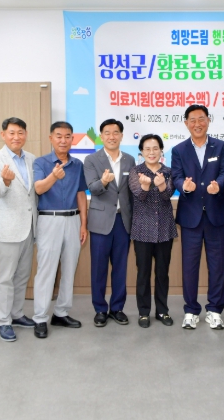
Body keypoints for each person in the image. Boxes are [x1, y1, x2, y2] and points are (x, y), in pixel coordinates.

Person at [171, 104, 224, 330]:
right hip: (191, 216)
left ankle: (215, 310)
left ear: (208, 120)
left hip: (216, 214)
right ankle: (191, 310)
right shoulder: (179, 150)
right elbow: (176, 176)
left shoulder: (221, 146)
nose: (197, 124)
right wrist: (183, 186)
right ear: (186, 123)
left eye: (201, 119)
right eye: (193, 120)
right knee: (189, 266)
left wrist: (220, 185)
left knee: (217, 265)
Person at [31, 121, 88, 339]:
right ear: (51, 138)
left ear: (72, 139)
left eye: (67, 136)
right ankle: (40, 317)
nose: (63, 140)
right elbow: (38, 188)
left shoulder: (77, 165)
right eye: (58, 136)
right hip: (49, 219)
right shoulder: (41, 162)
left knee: (69, 268)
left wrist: (83, 224)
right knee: (46, 269)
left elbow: (81, 194)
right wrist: (54, 176)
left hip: (73, 219)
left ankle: (61, 313)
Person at [0, 117, 38, 342]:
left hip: (29, 227)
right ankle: (3, 321)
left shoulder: (32, 159)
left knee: (22, 275)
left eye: (20, 132)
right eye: (12, 133)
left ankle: (16, 314)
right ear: (3, 135)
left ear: (26, 134)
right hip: (7, 229)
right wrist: (6, 182)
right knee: (5, 278)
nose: (16, 137)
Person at [84, 119, 135, 327]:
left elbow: (131, 191)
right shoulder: (91, 160)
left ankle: (117, 308)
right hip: (100, 221)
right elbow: (92, 188)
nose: (111, 136)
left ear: (121, 135)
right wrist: (103, 182)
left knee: (120, 267)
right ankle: (99, 309)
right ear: (101, 136)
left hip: (123, 221)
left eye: (115, 132)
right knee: (99, 268)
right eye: (107, 132)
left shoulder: (130, 160)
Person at [129, 134, 177, 328]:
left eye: (155, 148)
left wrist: (162, 185)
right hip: (142, 229)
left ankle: (162, 311)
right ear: (141, 152)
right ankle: (143, 312)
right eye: (147, 149)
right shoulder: (135, 171)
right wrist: (145, 186)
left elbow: (168, 195)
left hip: (164, 229)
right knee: (143, 273)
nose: (151, 152)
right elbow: (139, 195)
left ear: (161, 151)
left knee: (162, 272)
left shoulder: (168, 171)